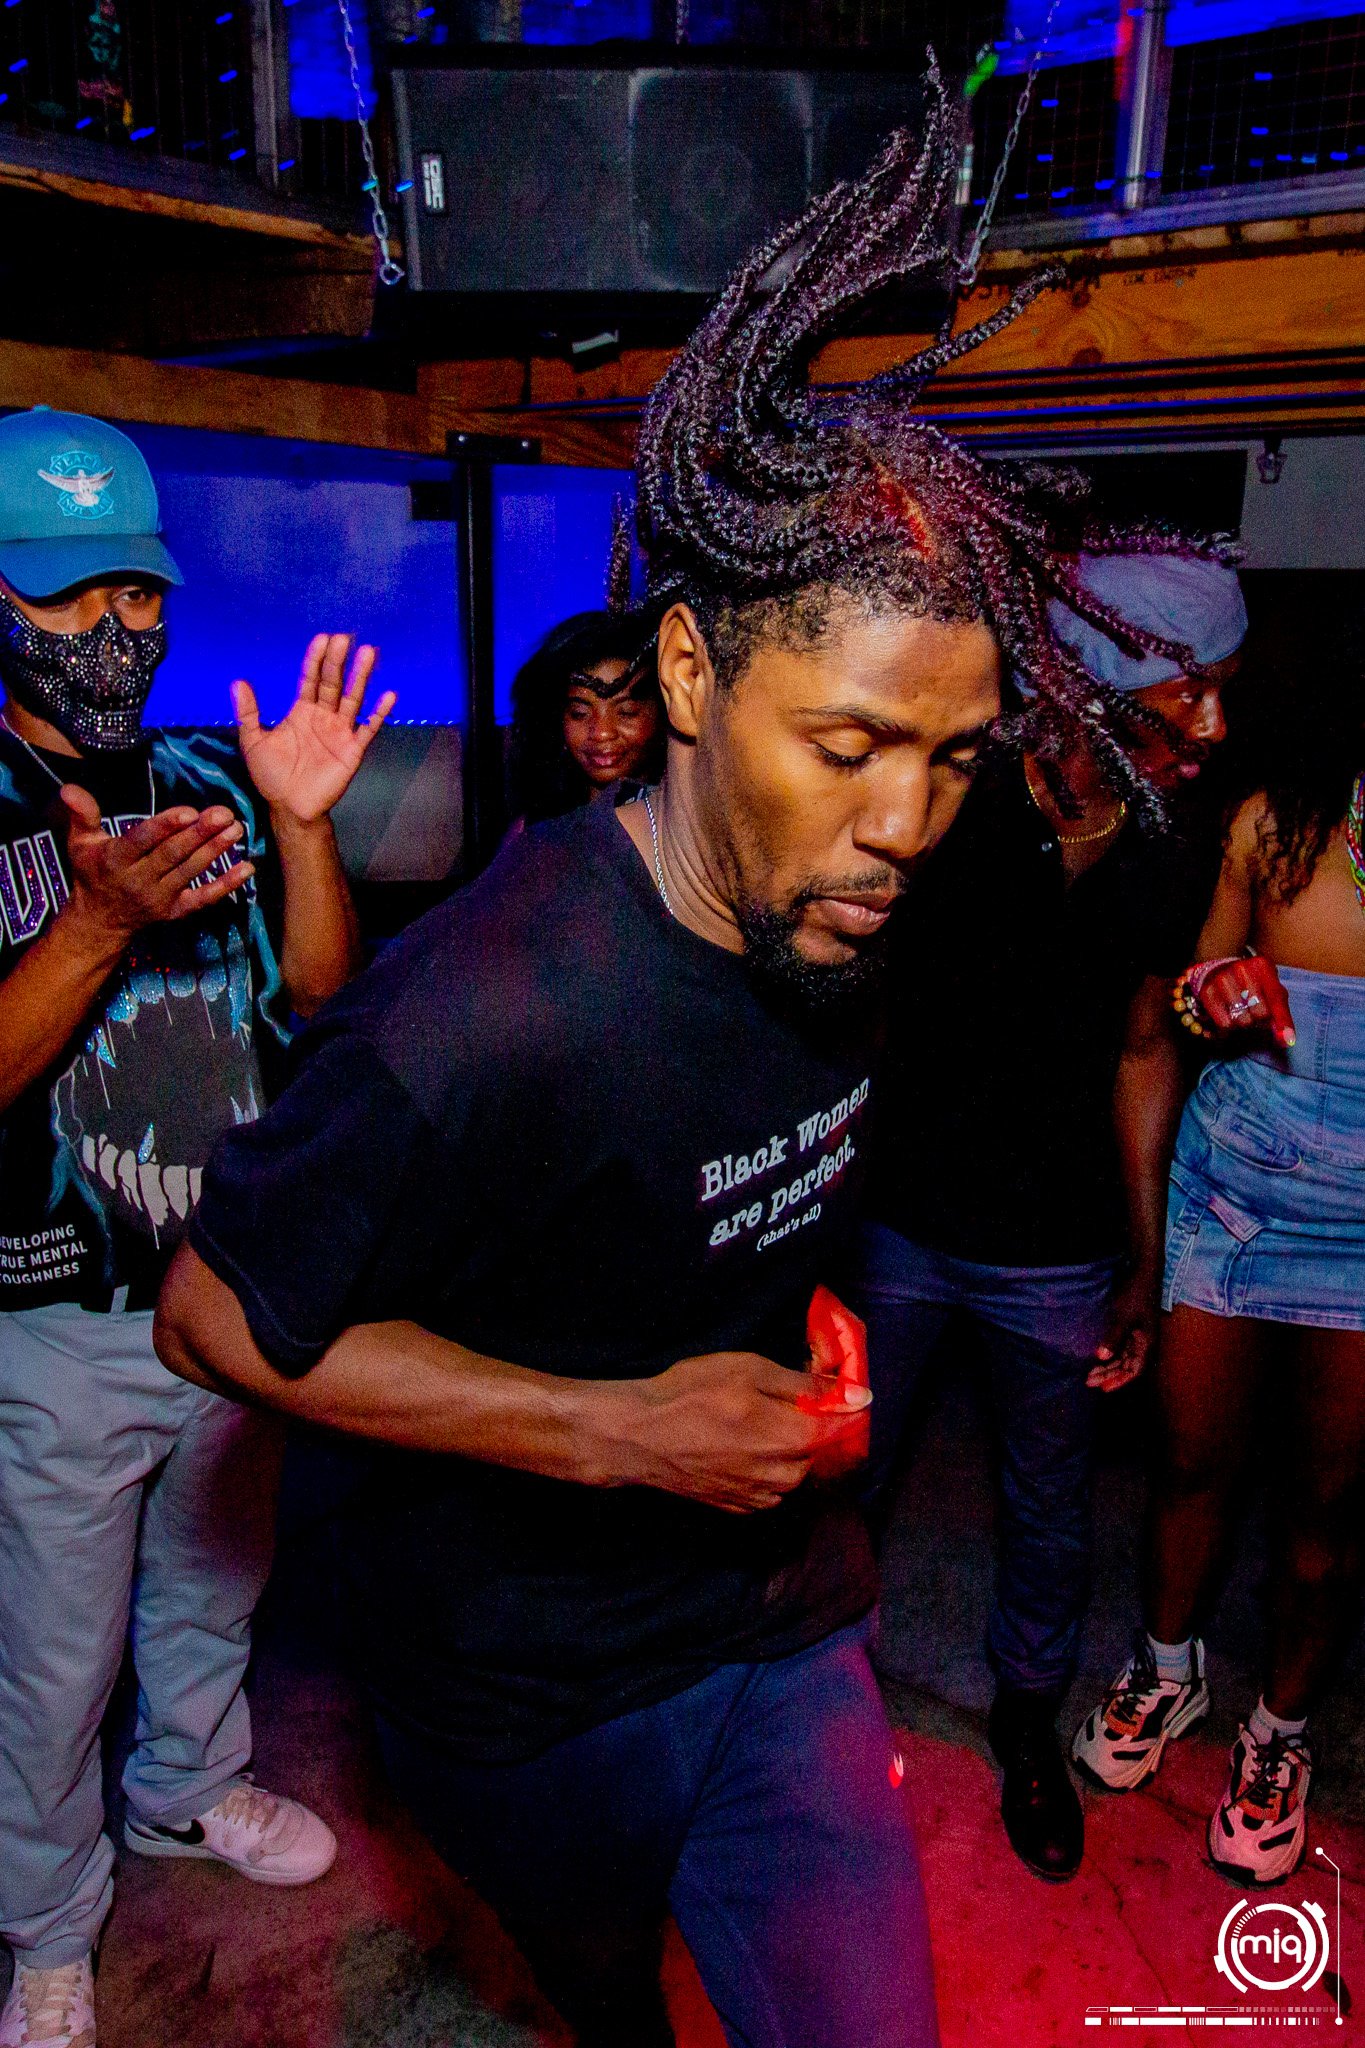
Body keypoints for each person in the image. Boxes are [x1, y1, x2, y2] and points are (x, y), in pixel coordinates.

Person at [155, 77, 1208, 2048]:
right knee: (605, 2007)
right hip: (524, 1684)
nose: (902, 822)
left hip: (782, 1618)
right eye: (846, 746)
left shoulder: (860, 913)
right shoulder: (486, 1009)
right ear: (693, 676)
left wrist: (806, 1315)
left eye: (950, 756)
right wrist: (612, 1426)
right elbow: (212, 1317)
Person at [0, 406, 394, 2048]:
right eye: (71, 592)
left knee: (214, 1580)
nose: (117, 626)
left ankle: (189, 1786)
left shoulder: (210, 773)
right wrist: (94, 922)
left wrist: (302, 830)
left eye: (139, 590)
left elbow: (319, 1002)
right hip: (59, 1317)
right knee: (53, 1663)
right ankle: (46, 1927)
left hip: (227, 1291)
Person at [850, 551, 1246, 1882]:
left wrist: (1144, 1257)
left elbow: (1143, 1045)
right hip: (899, 1219)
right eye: (1190, 691)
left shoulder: (1176, 837)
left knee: (1051, 1503)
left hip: (1060, 1243)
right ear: (1105, 677)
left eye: (1224, 691)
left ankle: (1026, 1722)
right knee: (842, 1479)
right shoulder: (954, 793)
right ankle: (818, 1714)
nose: (1214, 725)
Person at [1072, 628, 1365, 1887]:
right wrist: (1221, 993)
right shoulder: (1276, 824)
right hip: (1234, 1197)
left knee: (1326, 1510)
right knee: (1190, 1461)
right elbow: (1183, 1000)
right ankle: (1168, 1666)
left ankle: (1280, 1731)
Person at [507, 609, 664, 827]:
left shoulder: (684, 822)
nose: (602, 733)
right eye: (579, 714)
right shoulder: (537, 831)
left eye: (626, 712)